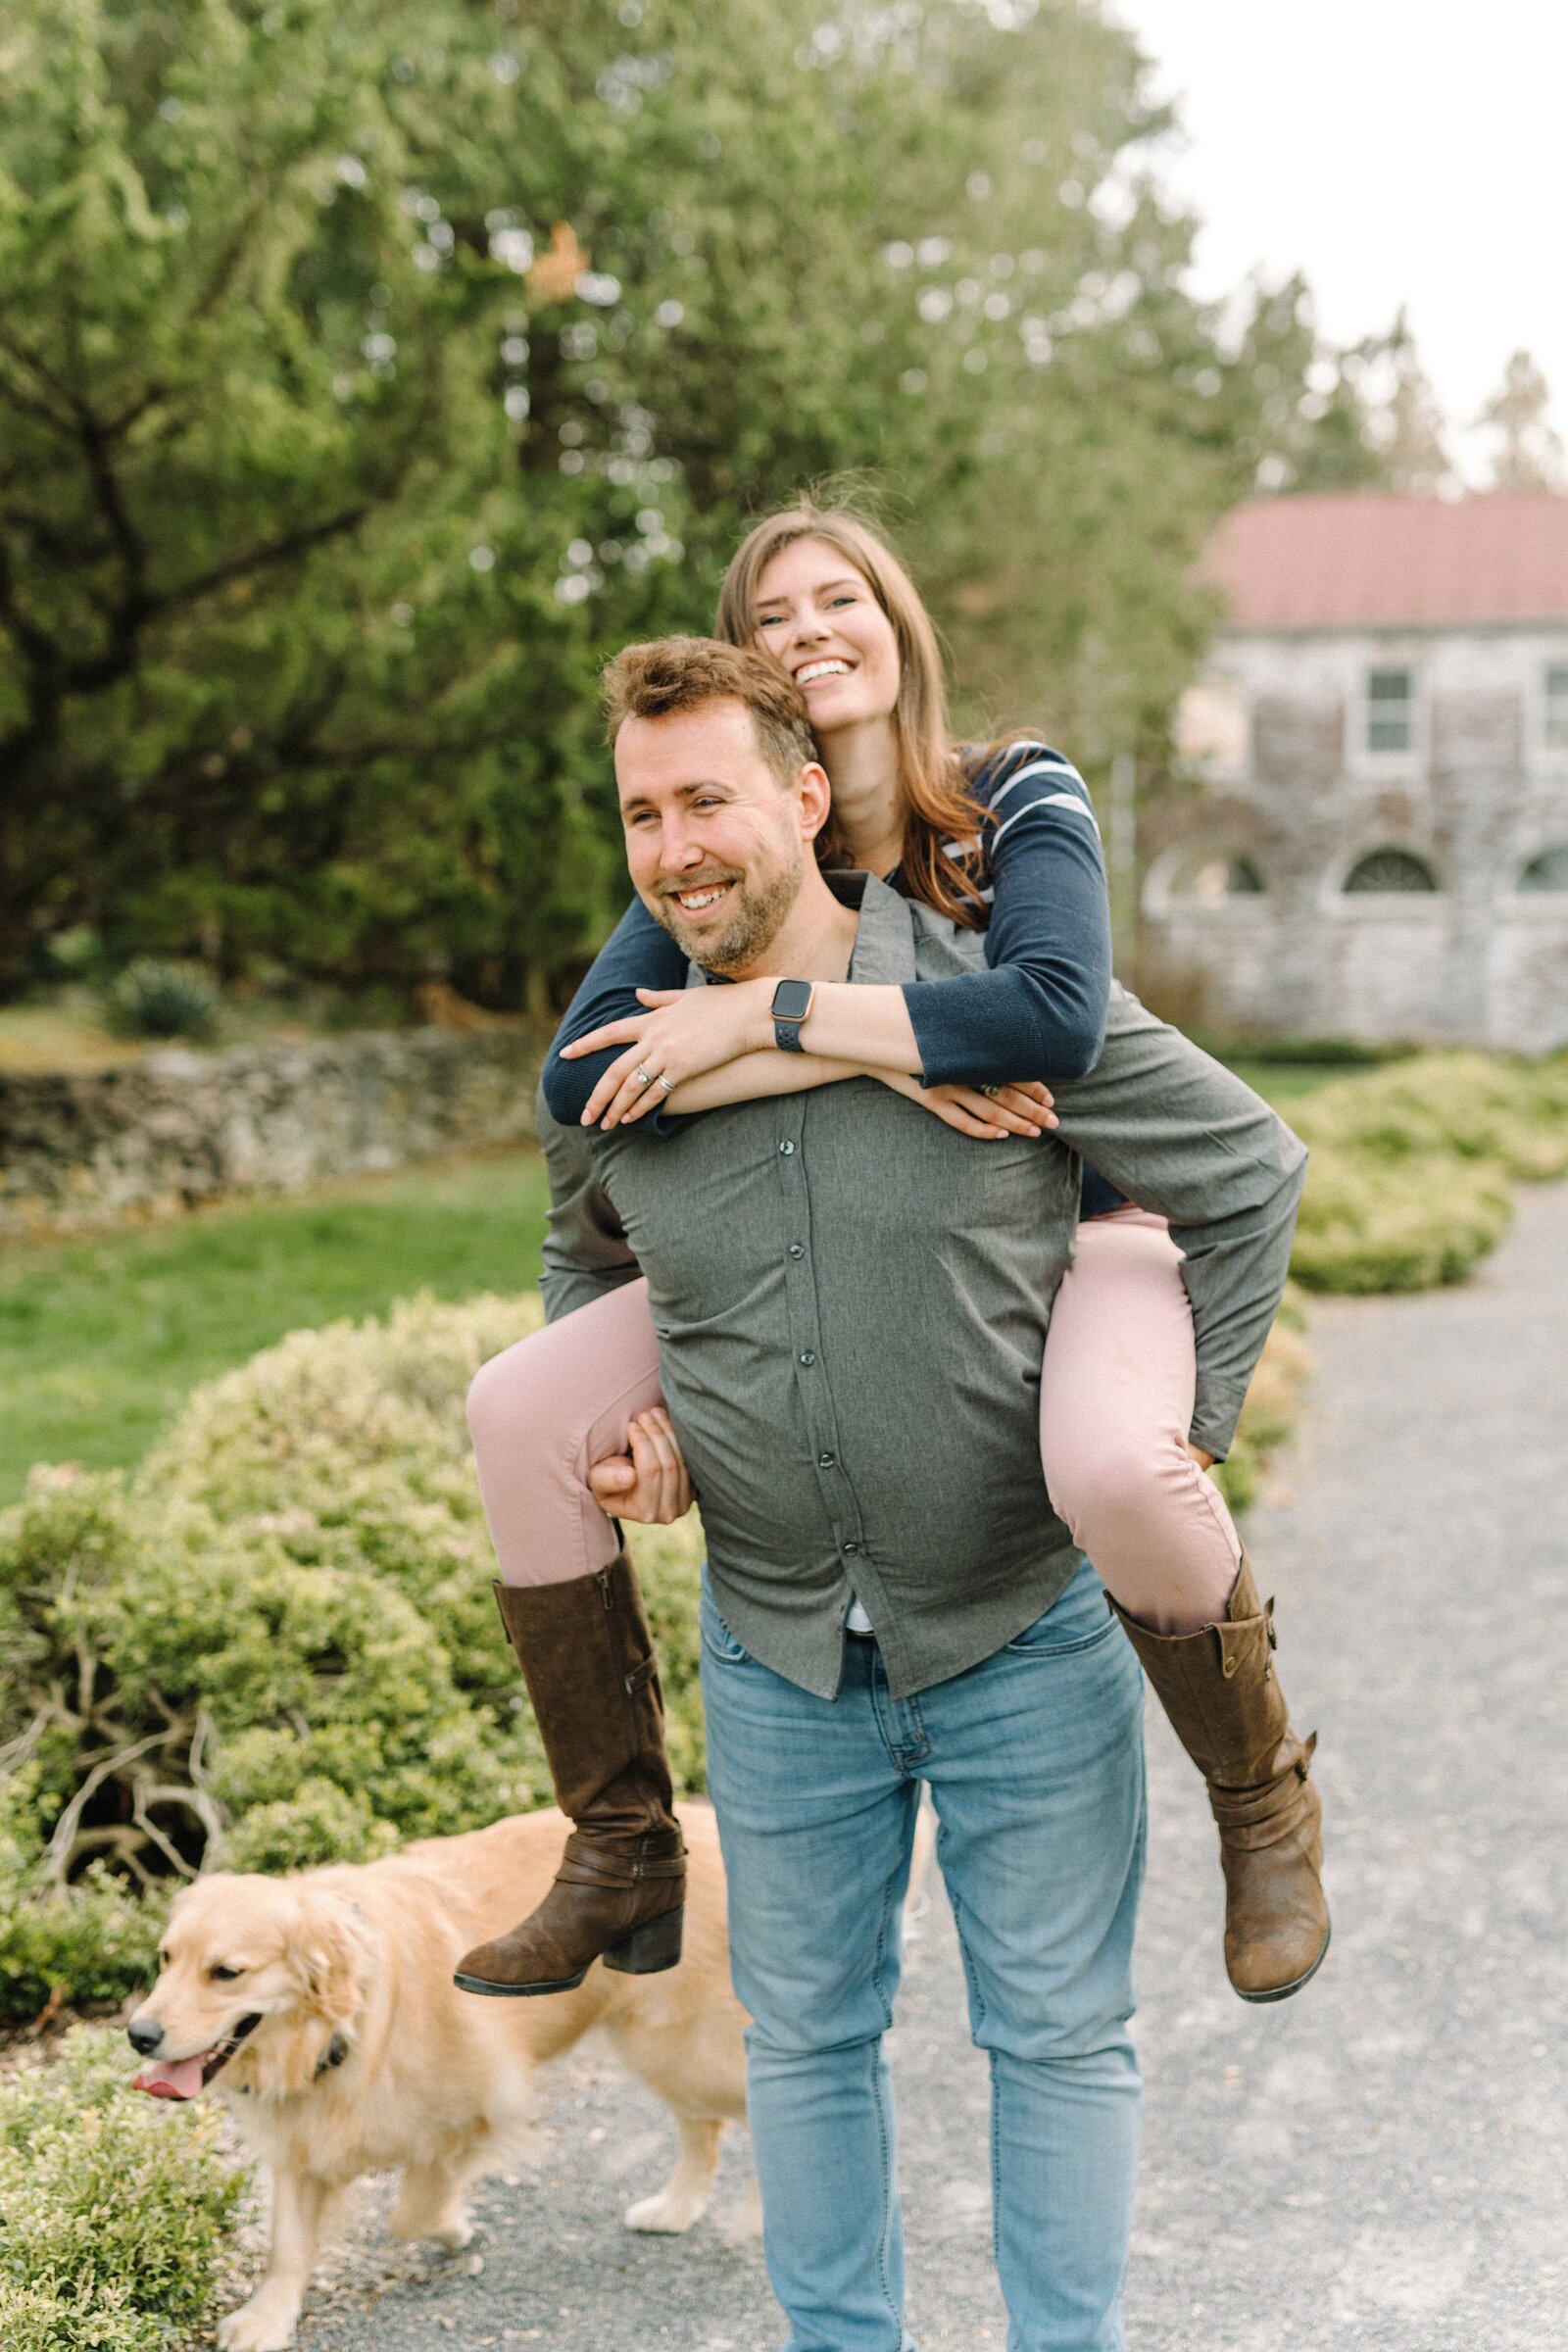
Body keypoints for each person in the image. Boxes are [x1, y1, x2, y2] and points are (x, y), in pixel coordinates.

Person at [463, 633, 1310, 2350]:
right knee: (802, 2043)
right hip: (778, 1653)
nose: (676, 847)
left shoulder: (994, 1004)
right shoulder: (615, 1063)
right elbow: (581, 1264)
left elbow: (1245, 1172)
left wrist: (1182, 1436)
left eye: (708, 798)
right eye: (640, 816)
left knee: (1058, 2038)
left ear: (800, 793)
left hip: (1020, 1628)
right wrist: (658, 1443)